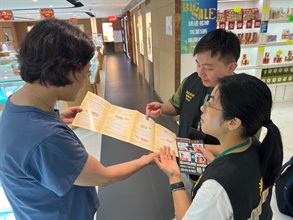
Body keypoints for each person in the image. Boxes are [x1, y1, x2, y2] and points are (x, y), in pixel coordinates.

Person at [0, 18, 158, 220]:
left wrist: (55, 119)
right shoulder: (47, 138)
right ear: (65, 71)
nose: (86, 80)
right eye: (85, 72)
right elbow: (103, 176)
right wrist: (145, 160)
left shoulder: (16, 102)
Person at [155, 73, 283, 220]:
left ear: (233, 122)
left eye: (210, 104)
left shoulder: (215, 190)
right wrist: (217, 162)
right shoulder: (256, 146)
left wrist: (174, 178)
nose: (202, 107)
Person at [146, 28, 240, 145]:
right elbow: (176, 105)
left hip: (217, 162)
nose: (200, 73)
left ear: (231, 67)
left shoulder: (242, 95)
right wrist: (162, 108)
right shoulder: (191, 80)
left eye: (208, 68)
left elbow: (245, 146)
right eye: (198, 64)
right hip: (184, 154)